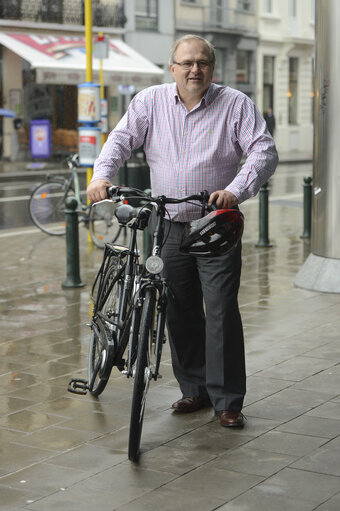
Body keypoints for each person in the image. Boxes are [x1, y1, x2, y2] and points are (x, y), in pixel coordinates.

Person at [87, 35, 278, 428]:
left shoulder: (235, 104)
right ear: (172, 67)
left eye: (203, 62)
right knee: (178, 307)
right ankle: (194, 388)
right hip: (166, 223)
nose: (195, 69)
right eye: (187, 62)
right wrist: (102, 175)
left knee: (221, 308)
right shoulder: (149, 102)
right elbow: (121, 139)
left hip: (215, 224)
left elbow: (263, 150)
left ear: (212, 68)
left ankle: (227, 399)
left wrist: (235, 190)